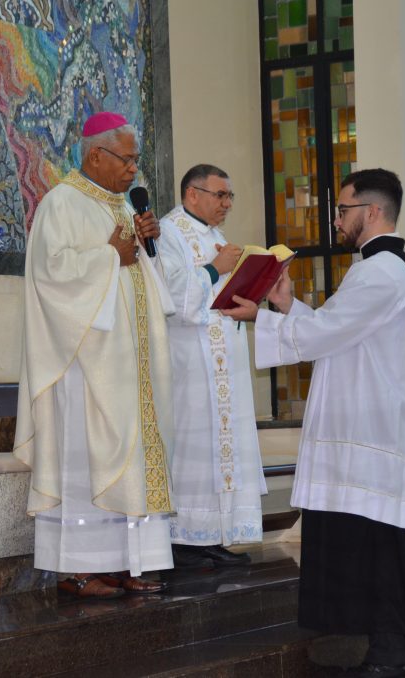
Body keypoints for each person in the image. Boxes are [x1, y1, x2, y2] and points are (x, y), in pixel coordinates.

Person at [223, 169, 405, 678]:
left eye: (343, 210)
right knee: (376, 547)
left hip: (372, 433)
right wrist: (285, 305)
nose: (337, 220)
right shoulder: (377, 269)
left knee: (384, 550)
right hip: (365, 430)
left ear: (372, 211)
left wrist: (262, 316)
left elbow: (328, 332)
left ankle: (396, 651)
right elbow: (337, 332)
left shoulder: (382, 270)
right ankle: (393, 649)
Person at [14, 112, 175, 599]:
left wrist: (147, 246)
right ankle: (79, 567)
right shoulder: (61, 203)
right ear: (95, 155)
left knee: (130, 461)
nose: (133, 171)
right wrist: (111, 256)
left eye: (136, 160)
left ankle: (130, 561)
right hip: (86, 367)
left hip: (130, 365)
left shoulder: (122, 207)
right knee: (90, 462)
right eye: (126, 159)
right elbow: (50, 275)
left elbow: (141, 278)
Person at [157, 164, 267, 569]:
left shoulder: (215, 236)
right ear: (192, 194)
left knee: (224, 450)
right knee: (195, 448)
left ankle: (216, 534)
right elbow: (173, 299)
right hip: (191, 365)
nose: (227, 204)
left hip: (225, 363)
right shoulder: (168, 233)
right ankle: (187, 537)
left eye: (229, 197)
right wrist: (214, 269)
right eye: (220, 195)